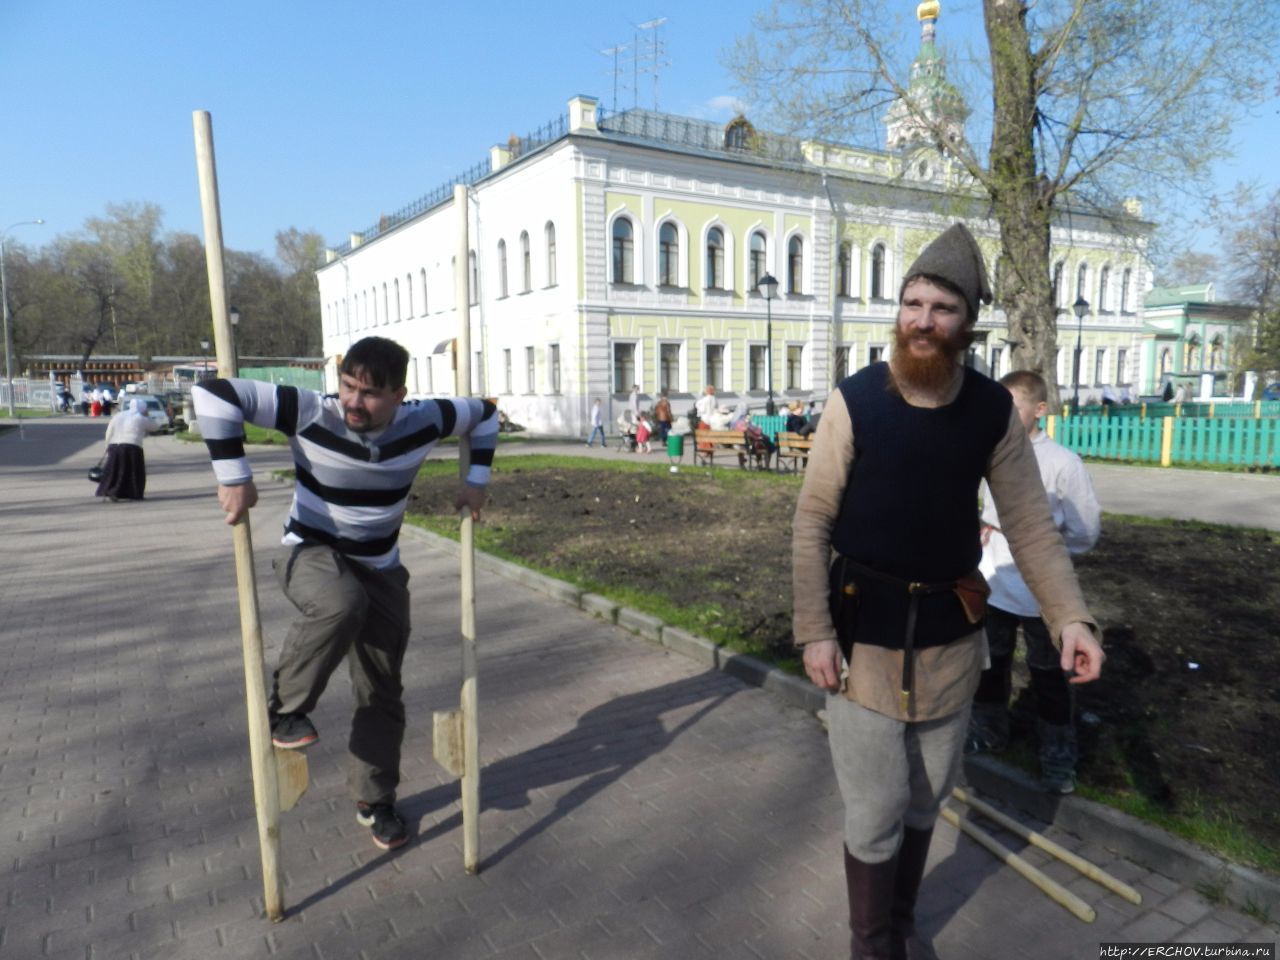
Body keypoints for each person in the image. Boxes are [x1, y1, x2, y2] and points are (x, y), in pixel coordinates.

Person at [791, 223, 1104, 960]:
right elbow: (812, 521)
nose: (923, 321)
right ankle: (871, 946)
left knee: (928, 798)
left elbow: (1030, 527)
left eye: (941, 308)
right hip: (861, 639)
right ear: (897, 311)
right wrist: (813, 630)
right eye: (912, 303)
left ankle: (901, 924)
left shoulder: (993, 411)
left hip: (950, 640)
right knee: (873, 809)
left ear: (968, 324)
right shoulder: (855, 401)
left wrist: (1071, 621)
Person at [192, 336, 498, 851]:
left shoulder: (426, 419)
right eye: (349, 386)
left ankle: (374, 800)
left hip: (381, 568)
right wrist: (233, 475)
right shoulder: (312, 411)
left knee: (382, 690)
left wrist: (477, 481)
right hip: (312, 553)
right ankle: (285, 708)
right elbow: (214, 394)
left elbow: (486, 415)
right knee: (340, 602)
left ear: (400, 394)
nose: (355, 402)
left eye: (372, 393)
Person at [967, 371, 1101, 795]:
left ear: (1039, 410)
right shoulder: (991, 452)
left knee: (1049, 674)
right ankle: (990, 730)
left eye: (1012, 408)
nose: (1001, 417)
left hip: (1042, 594)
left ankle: (1058, 755)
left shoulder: (1062, 463)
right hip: (994, 583)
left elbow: (1085, 530)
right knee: (991, 663)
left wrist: (1052, 552)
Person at [96, 399, 161, 502]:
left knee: (115, 470)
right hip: (132, 446)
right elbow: (155, 427)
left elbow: (109, 431)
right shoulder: (141, 418)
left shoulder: (118, 415)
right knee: (132, 471)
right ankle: (133, 493)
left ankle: (111, 491)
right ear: (142, 408)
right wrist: (148, 415)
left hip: (114, 445)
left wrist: (107, 445)